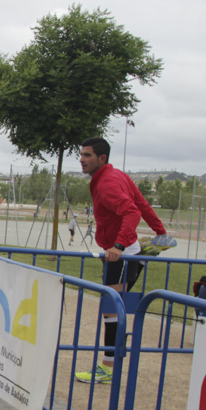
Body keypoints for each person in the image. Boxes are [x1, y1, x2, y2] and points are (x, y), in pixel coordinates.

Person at [75, 137, 168, 384]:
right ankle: (111, 364)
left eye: (87, 155)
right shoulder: (115, 175)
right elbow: (141, 204)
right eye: (81, 155)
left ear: (102, 158)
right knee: (113, 311)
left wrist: (118, 245)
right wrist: (160, 232)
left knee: (112, 312)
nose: (82, 160)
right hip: (122, 254)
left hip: (123, 256)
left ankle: (108, 368)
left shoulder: (108, 183)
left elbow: (133, 211)